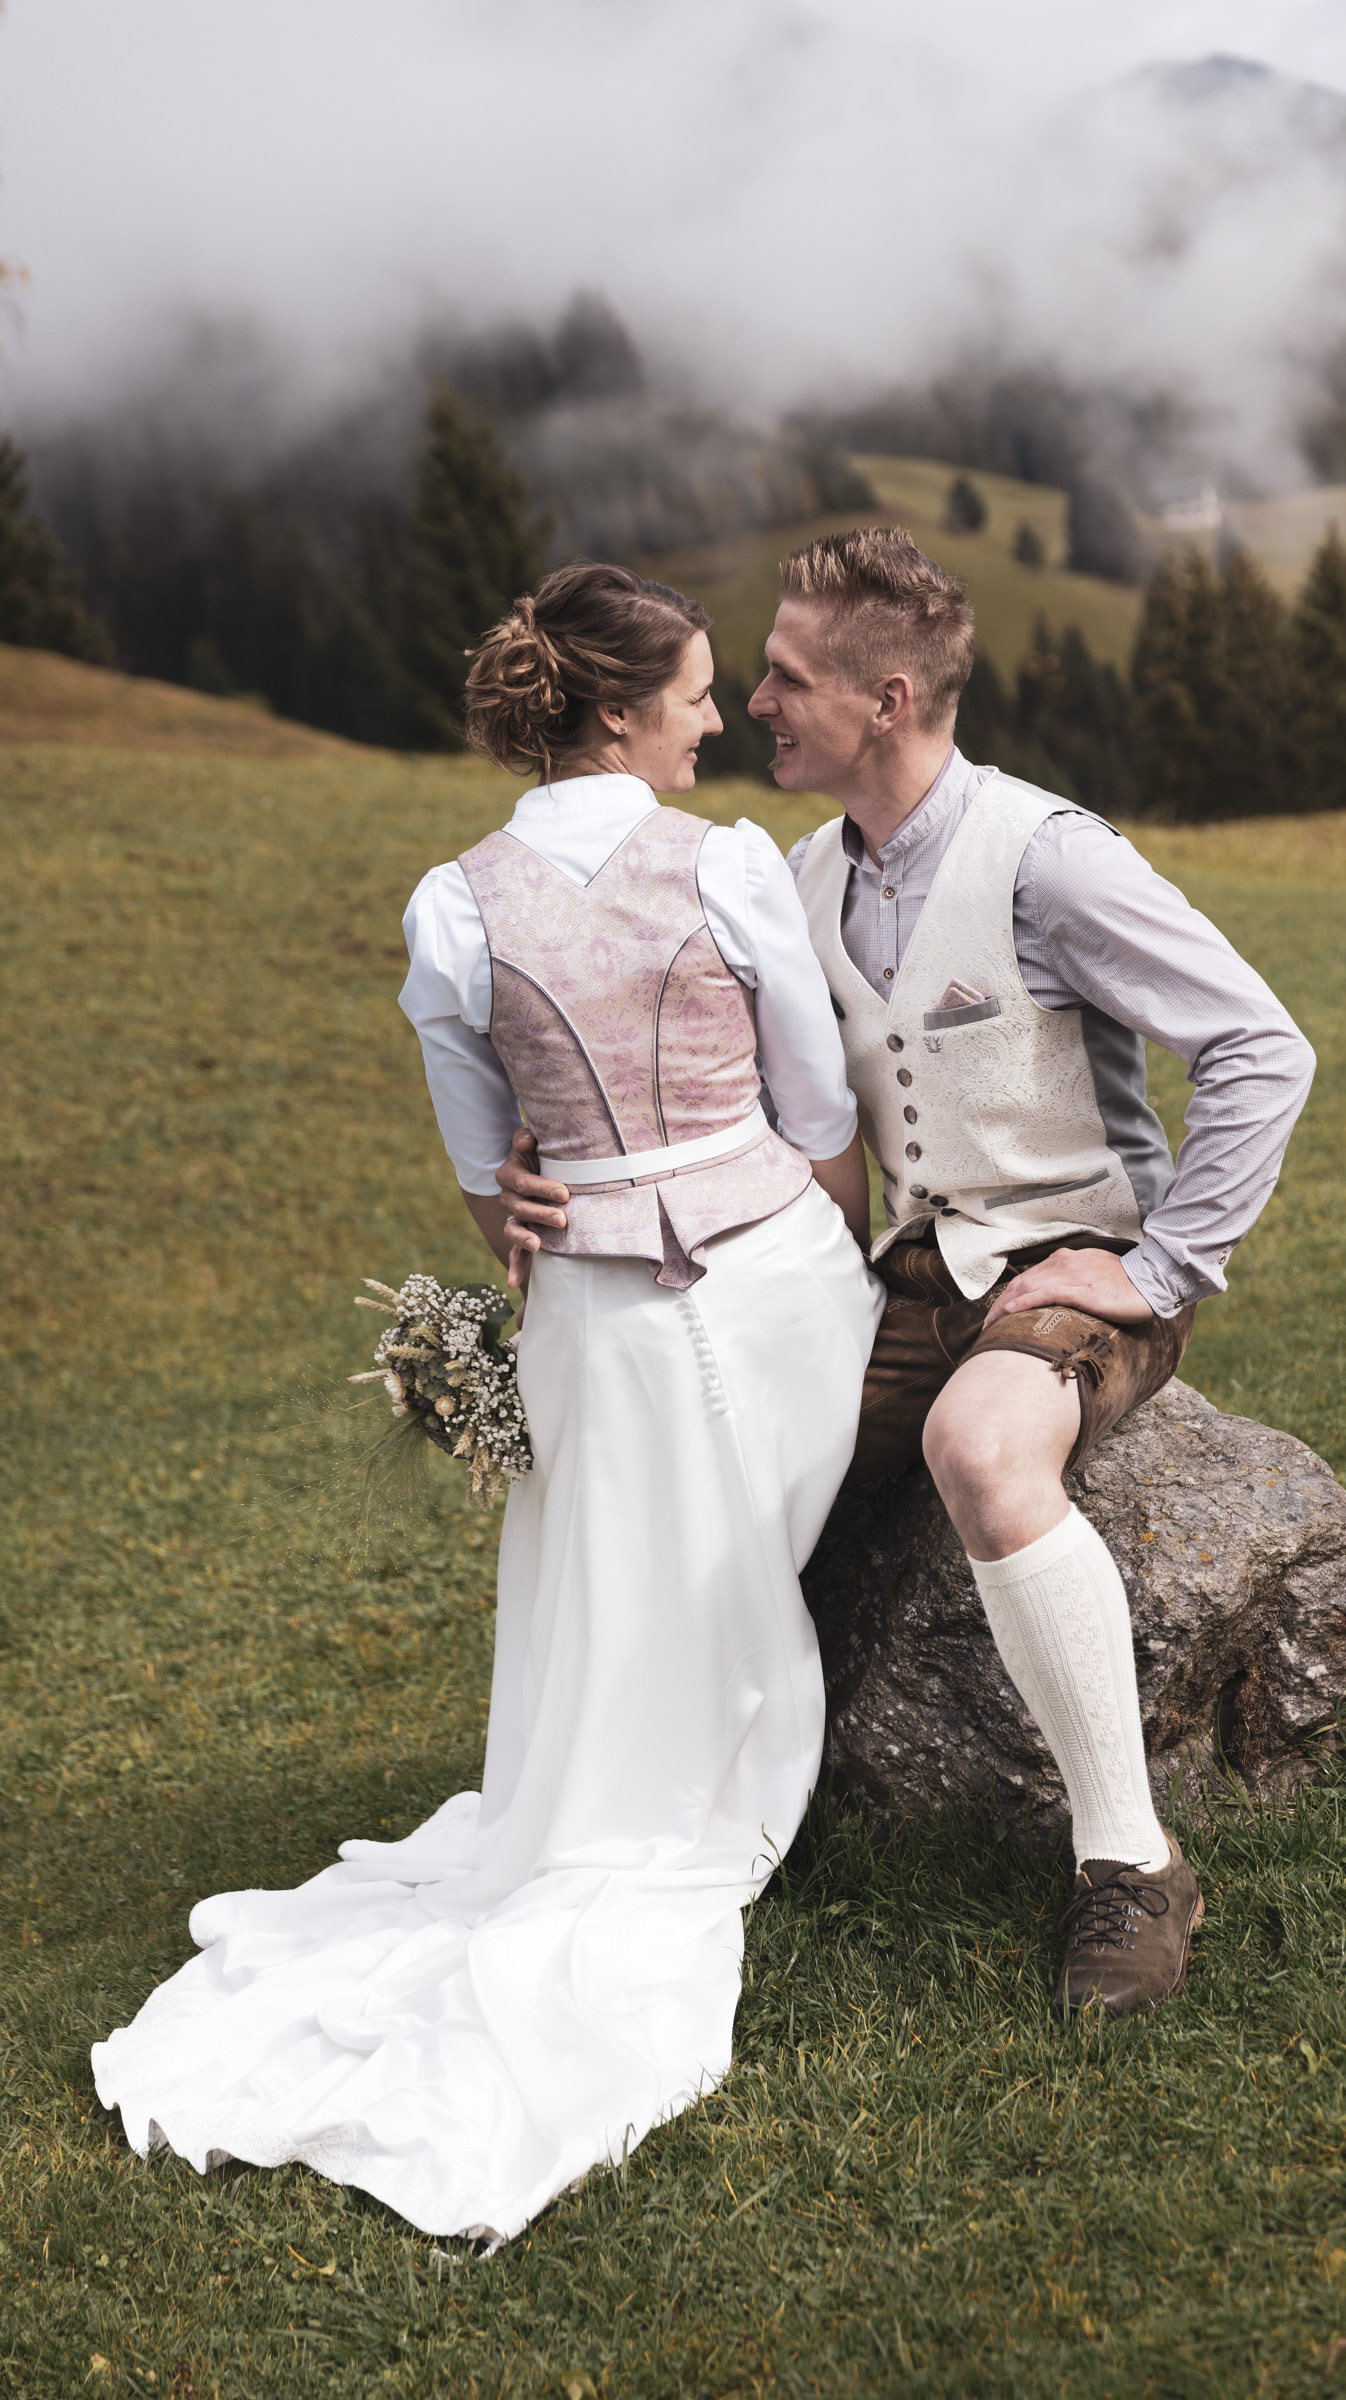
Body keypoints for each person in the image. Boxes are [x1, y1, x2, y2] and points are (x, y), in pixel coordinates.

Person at [92, 562, 883, 2244]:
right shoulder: (730, 866)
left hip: (586, 1312)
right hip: (763, 1279)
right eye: (694, 694)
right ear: (623, 709)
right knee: (756, 1471)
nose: (710, 721)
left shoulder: (453, 905)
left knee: (611, 1546)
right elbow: (819, 1109)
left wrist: (565, 1213)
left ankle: (616, 1777)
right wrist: (830, 1247)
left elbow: (486, 1184)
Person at [499, 528, 1316, 2018]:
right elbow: (730, 1100)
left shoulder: (1048, 857)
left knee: (981, 1449)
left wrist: (1165, 1267)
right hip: (898, 1280)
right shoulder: (799, 877)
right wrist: (544, 1161)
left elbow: (1263, 1045)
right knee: (721, 1470)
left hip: (1072, 1265)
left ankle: (1131, 1864)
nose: (752, 704)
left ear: (884, 701)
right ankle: (672, 1817)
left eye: (785, 677)